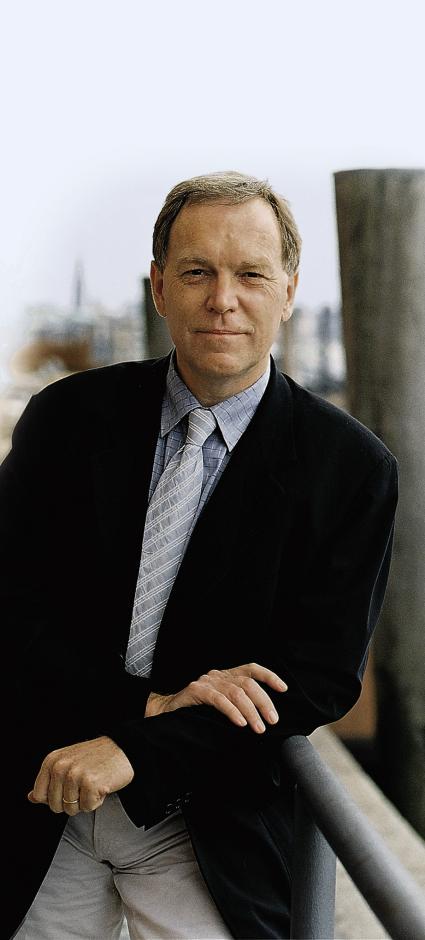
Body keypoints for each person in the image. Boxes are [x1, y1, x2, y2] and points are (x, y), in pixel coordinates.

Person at [2, 171, 398, 940]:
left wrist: (137, 750)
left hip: (207, 817)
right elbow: (10, 607)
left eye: (250, 274)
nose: (223, 299)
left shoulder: (350, 468)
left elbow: (315, 679)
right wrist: (143, 707)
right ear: (158, 287)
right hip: (42, 793)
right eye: (196, 272)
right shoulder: (65, 419)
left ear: (287, 291)